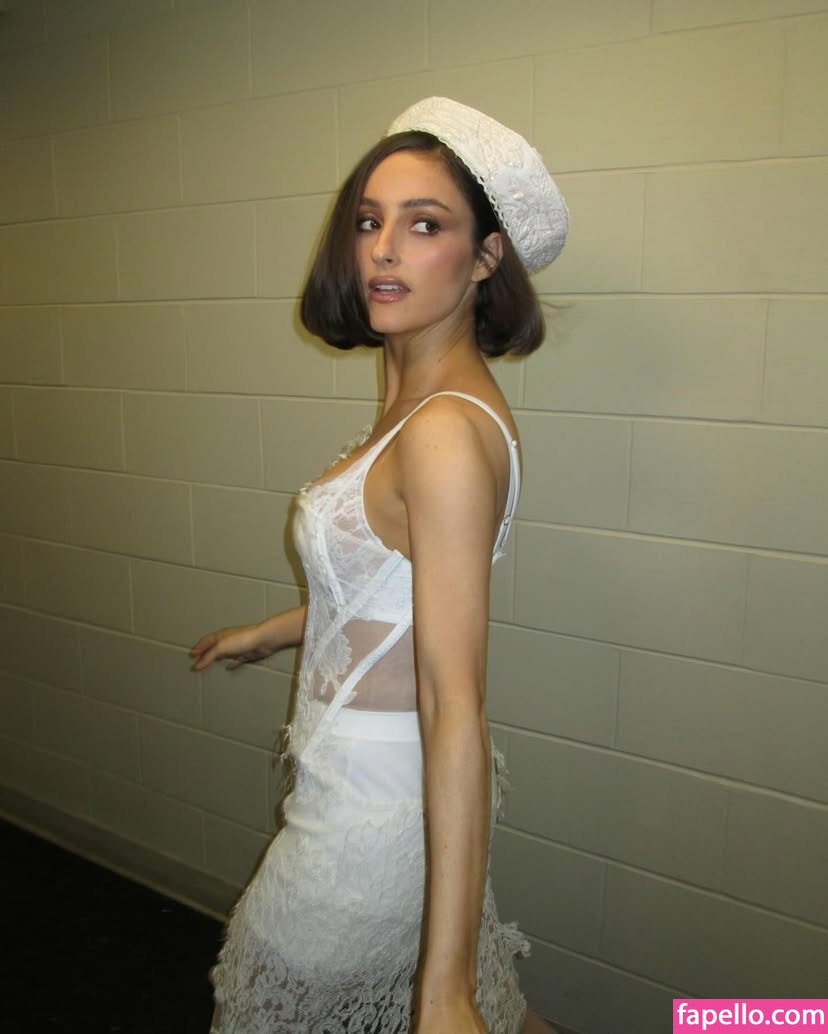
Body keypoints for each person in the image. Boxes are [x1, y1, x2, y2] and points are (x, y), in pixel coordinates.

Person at [190, 96, 568, 1034]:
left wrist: (445, 993)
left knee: (267, 994)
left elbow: (455, 702)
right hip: (371, 788)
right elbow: (387, 593)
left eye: (425, 225)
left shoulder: (441, 434)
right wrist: (270, 633)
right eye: (369, 222)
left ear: (484, 259)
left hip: (368, 813)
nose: (384, 250)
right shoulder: (422, 403)